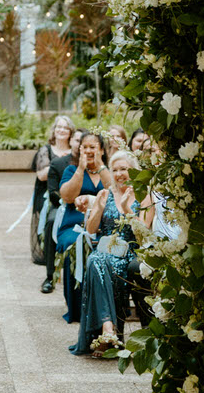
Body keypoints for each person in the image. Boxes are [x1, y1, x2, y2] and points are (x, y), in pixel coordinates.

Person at [70, 151, 142, 355]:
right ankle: (108, 329)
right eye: (116, 170)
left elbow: (144, 235)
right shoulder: (105, 193)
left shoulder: (142, 195)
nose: (119, 174)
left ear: (133, 170)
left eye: (124, 169)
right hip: (105, 249)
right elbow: (91, 231)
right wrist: (99, 208)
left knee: (99, 264)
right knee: (95, 260)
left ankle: (106, 333)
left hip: (129, 251)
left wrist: (128, 209)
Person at [56, 131, 112, 323]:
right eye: (85, 147)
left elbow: (115, 193)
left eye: (93, 147)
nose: (88, 151)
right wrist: (81, 169)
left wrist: (101, 167)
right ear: (79, 150)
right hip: (75, 224)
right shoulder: (71, 171)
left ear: (102, 150)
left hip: (103, 225)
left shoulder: (109, 170)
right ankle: (77, 308)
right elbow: (67, 197)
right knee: (75, 243)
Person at [40, 127, 80, 294]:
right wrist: (70, 200)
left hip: (90, 207)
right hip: (62, 206)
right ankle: (50, 276)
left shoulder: (97, 163)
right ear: (71, 141)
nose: (79, 144)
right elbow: (53, 193)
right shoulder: (58, 163)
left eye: (82, 141)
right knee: (51, 222)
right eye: (77, 140)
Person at [31, 115, 74, 265]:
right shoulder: (46, 150)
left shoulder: (74, 151)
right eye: (59, 127)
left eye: (65, 127)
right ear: (54, 130)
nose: (62, 130)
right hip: (48, 194)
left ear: (71, 132)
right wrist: (58, 164)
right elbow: (42, 175)